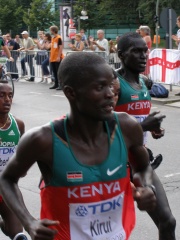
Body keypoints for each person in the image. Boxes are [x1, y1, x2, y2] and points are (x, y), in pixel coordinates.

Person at [0, 52, 157, 240]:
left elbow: (143, 166)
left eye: (110, 86)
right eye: (100, 87)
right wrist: (29, 221)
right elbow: (6, 179)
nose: (110, 94)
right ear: (71, 93)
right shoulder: (43, 140)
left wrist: (146, 186)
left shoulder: (127, 127)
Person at [115, 32, 176, 240]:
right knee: (114, 231)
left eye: (145, 51)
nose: (143, 56)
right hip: (113, 165)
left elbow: (135, 118)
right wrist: (142, 126)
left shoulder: (143, 82)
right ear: (121, 55)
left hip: (139, 161)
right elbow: (100, 130)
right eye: (136, 52)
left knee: (167, 221)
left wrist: (152, 127)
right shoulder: (112, 84)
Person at [0, 82, 27, 240]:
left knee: (19, 235)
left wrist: (20, 167)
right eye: (2, 96)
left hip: (7, 186)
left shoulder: (18, 125)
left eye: (10, 95)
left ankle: (4, 224)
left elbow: (22, 157)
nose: (7, 100)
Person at [49, 26, 64, 90]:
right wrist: (50, 56)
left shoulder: (59, 38)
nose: (50, 31)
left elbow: (60, 47)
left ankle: (61, 84)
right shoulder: (53, 38)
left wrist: (58, 56)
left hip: (57, 57)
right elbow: (52, 48)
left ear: (53, 30)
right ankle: (56, 84)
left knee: (58, 72)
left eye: (51, 30)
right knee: (54, 72)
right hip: (53, 57)